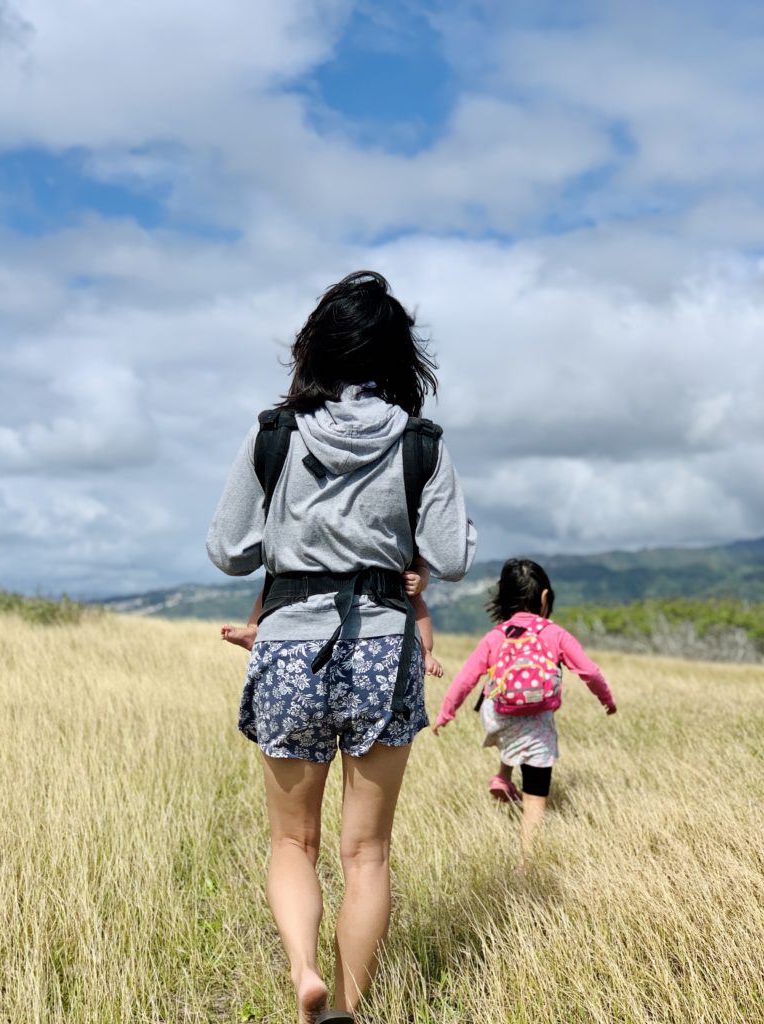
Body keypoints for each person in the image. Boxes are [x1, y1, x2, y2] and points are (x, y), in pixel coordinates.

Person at [206, 270, 475, 1024]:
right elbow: (450, 555)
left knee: (293, 843)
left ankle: (303, 972)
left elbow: (227, 550)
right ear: (397, 356)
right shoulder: (420, 444)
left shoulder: (274, 434)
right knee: (368, 854)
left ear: (316, 347)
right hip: (385, 650)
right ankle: (347, 1011)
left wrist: (295, 542)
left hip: (290, 643)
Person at [433, 559, 616, 865]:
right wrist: (606, 699)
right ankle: (527, 860)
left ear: (503, 598)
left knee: (509, 723)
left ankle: (503, 776)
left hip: (496, 716)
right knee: (535, 791)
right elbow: (590, 672)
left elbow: (466, 679)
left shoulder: (496, 636)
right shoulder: (554, 634)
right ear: (545, 598)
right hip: (535, 721)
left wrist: (445, 714)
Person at [220, 556, 444, 677]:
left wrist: (421, 578)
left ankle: (426, 652)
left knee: (417, 605)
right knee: (275, 584)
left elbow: (422, 564)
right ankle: (254, 629)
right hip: (300, 586)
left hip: (393, 586)